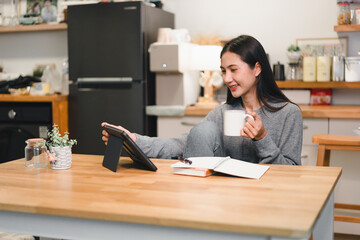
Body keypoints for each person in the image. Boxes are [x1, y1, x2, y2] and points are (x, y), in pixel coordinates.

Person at [102, 35, 303, 165]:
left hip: (265, 197)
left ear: (257, 68)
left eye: (233, 70)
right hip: (220, 196)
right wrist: (135, 140)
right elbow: (181, 144)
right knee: (202, 131)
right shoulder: (222, 113)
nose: (226, 79)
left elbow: (291, 173)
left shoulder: (288, 113)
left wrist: (262, 138)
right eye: (224, 71)